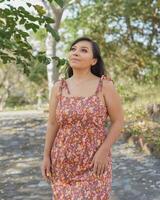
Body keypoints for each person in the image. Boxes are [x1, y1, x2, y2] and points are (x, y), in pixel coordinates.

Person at [41, 36, 124, 200]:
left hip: (94, 161)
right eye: (73, 49)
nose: (75, 53)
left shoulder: (105, 86)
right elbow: (52, 124)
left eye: (83, 50)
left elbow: (118, 121)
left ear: (94, 61)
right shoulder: (59, 87)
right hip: (62, 162)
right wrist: (46, 156)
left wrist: (104, 151)